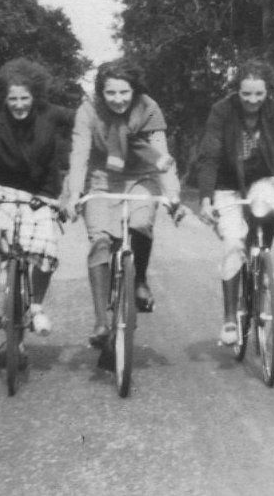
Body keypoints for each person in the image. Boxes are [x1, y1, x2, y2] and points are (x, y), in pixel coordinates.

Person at [195, 59, 274, 345]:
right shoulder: (221, 111)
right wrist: (205, 198)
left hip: (261, 177)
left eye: (259, 94)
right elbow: (209, 156)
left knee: (265, 209)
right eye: (246, 93)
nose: (252, 100)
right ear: (236, 90)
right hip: (227, 183)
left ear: (267, 92)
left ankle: (261, 260)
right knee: (233, 243)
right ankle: (229, 319)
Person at [65, 58, 183, 349]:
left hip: (142, 177)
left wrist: (173, 194)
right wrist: (74, 194)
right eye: (111, 93)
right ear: (101, 93)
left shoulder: (149, 108)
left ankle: (139, 280)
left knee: (141, 223)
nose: (118, 100)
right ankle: (100, 321)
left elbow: (161, 154)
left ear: (135, 91)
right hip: (101, 180)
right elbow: (79, 154)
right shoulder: (88, 110)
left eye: (124, 93)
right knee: (100, 241)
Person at [0, 58, 74, 337]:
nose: (19, 104)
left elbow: (86, 118)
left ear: (35, 96)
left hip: (43, 192)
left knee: (46, 250)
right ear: (4, 97)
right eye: (13, 98)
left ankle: (36, 308)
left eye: (25, 98)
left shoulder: (51, 114)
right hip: (2, 188)